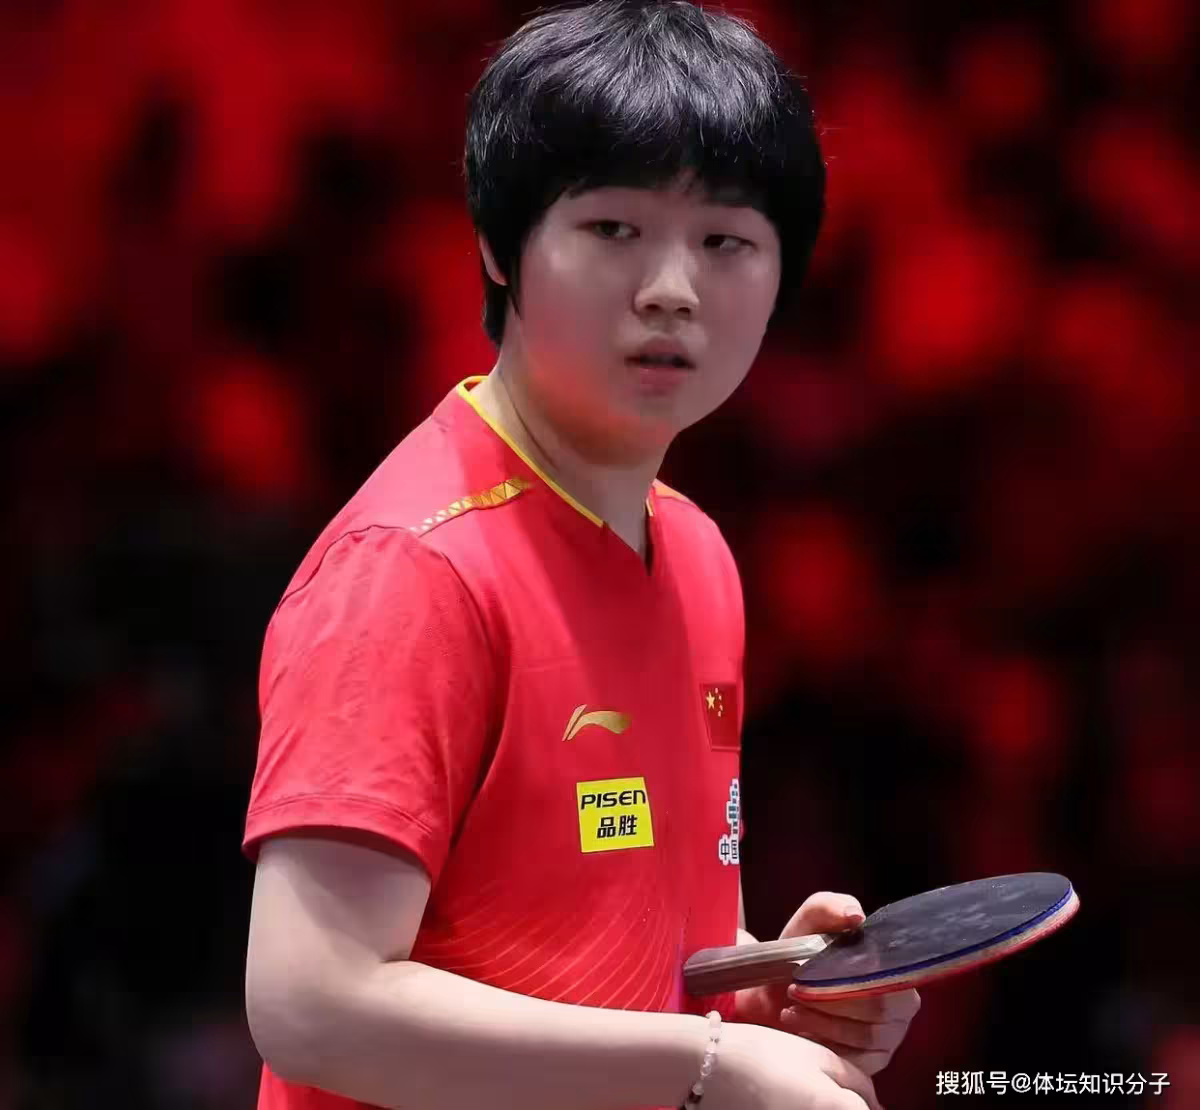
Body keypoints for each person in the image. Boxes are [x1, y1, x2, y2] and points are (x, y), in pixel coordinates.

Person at [242, 2, 919, 1108]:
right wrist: (705, 1068)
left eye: (726, 241)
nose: (671, 288)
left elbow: (592, 962)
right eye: (613, 229)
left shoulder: (695, 553)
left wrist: (751, 997)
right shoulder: (412, 569)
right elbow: (313, 1002)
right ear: (497, 247)